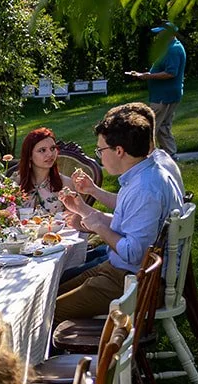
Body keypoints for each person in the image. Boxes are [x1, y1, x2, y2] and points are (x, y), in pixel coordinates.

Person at [53, 107, 184, 323]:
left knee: (47, 314)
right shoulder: (140, 176)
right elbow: (129, 227)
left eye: (100, 150)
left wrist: (97, 224)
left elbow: (133, 253)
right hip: (121, 270)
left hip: (135, 282)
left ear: (119, 151)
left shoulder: (145, 188)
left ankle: (80, 355)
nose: (100, 157)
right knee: (48, 297)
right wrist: (86, 211)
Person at [126, 23, 186, 157]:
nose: (158, 36)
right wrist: (144, 75)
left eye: (161, 33)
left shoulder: (173, 50)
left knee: (150, 127)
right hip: (168, 95)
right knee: (163, 127)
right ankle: (171, 154)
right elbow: (162, 70)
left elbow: (171, 73)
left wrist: (148, 76)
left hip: (164, 96)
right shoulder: (170, 47)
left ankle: (145, 157)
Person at [16, 126, 64, 216]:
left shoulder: (65, 184)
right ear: (29, 155)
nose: (50, 154)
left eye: (53, 148)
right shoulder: (16, 184)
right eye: (42, 150)